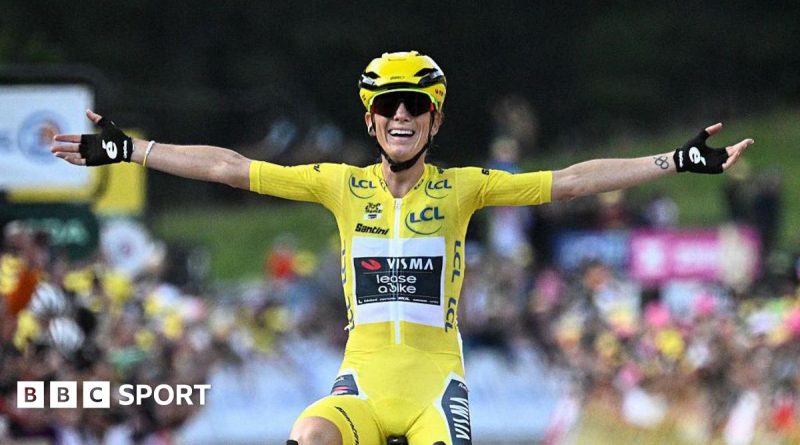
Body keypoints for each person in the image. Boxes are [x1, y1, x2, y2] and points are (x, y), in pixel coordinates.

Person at [51, 50, 753, 445]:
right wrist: (130, 148)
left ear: (435, 119)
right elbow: (230, 166)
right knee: (307, 438)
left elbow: (570, 180)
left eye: (415, 104)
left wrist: (674, 161)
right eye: (387, 105)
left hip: (433, 393)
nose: (400, 115)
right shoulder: (338, 184)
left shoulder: (465, 188)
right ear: (370, 118)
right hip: (360, 383)